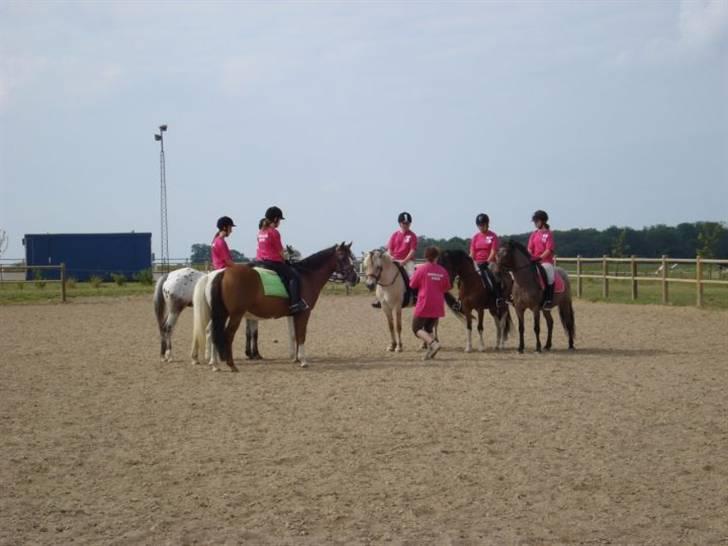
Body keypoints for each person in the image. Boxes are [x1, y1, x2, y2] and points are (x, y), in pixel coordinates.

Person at [256, 206, 309, 314]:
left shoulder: (261, 232)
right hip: (273, 263)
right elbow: (281, 252)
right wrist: (288, 259)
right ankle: (295, 304)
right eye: (279, 220)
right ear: (275, 219)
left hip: (261, 262)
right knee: (294, 276)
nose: (280, 222)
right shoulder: (274, 232)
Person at [409, 246, 451, 360]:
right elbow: (447, 288)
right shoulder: (443, 270)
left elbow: (412, 284)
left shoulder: (421, 269)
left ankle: (434, 343)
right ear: (437, 257)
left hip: (424, 303)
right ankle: (429, 352)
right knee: (428, 328)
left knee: (416, 328)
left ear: (425, 256)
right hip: (438, 304)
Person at [372, 211, 418, 308]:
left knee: (412, 276)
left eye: (408, 223)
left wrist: (404, 261)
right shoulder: (394, 235)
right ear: (400, 223)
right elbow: (390, 248)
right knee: (381, 274)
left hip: (407, 261)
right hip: (394, 259)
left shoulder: (412, 236)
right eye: (404, 223)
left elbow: (412, 251)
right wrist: (391, 257)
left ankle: (414, 296)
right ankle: (379, 298)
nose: (406, 225)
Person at [469, 213, 504, 308]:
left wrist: (487, 262)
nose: (481, 227)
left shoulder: (493, 236)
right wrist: (469, 262)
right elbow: (472, 253)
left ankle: (499, 297)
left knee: (495, 274)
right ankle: (462, 299)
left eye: (483, 225)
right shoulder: (475, 237)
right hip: (477, 262)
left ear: (487, 224)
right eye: (479, 225)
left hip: (489, 262)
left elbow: (493, 251)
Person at [527, 209, 556, 310]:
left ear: (542, 221)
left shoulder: (548, 234)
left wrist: (539, 257)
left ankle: (548, 299)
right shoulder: (534, 234)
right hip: (533, 261)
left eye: (536, 221)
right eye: (534, 221)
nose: (535, 223)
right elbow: (529, 248)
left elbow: (549, 250)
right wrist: (530, 257)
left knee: (549, 275)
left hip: (545, 262)